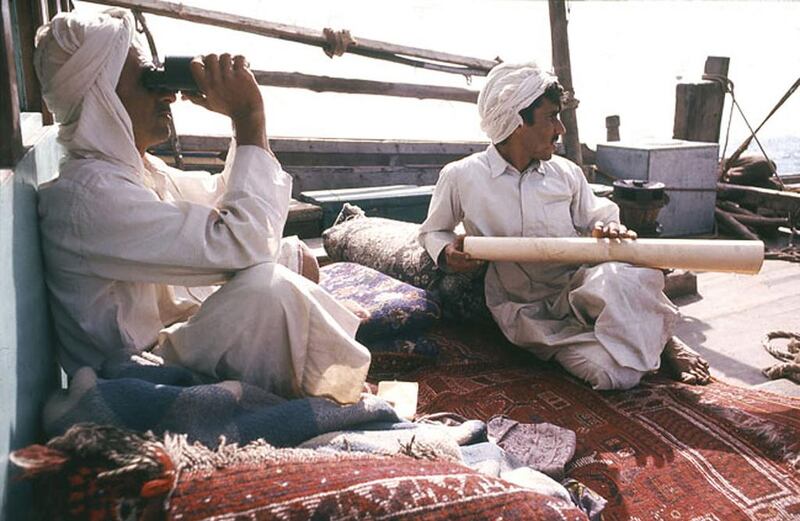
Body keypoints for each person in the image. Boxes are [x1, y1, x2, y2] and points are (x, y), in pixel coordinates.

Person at [34, 8, 370, 403]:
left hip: (164, 342)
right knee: (270, 291)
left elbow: (221, 203)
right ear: (102, 98)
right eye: (149, 81)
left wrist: (238, 118)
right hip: (135, 374)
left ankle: (331, 370)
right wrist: (249, 117)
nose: (167, 94)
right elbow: (244, 243)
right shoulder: (88, 198)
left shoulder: (130, 169)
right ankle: (348, 390)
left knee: (295, 257)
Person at [418, 62, 710, 390]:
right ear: (517, 122)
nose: (561, 129)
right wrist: (447, 252)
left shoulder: (566, 173)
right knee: (615, 375)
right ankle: (636, 335)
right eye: (551, 117)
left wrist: (608, 229)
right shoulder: (461, 176)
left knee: (623, 277)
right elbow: (433, 230)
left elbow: (598, 217)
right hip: (527, 309)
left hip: (580, 286)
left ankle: (665, 341)